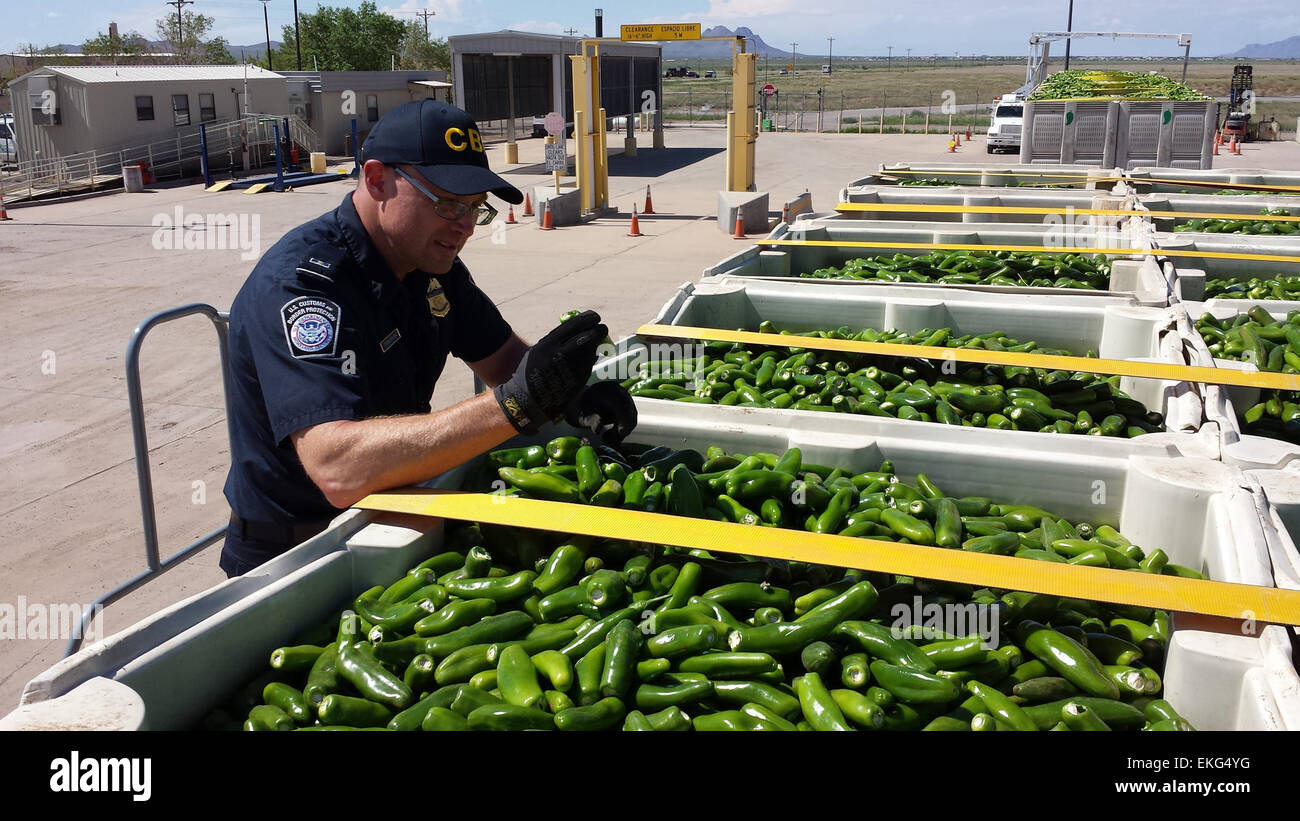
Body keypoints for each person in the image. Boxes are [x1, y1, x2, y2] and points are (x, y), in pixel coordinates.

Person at [220, 99, 629, 577]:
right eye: (448, 203)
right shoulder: (305, 285)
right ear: (376, 180)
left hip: (393, 529)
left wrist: (573, 395)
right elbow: (336, 466)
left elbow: (505, 361)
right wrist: (513, 406)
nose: (463, 227)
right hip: (299, 557)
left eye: (476, 209)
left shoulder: (431, 266)